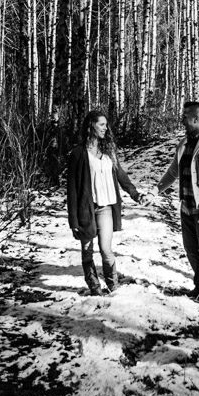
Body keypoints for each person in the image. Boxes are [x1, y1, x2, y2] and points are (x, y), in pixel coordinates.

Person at [66, 110, 142, 295]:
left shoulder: (109, 151)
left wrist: (135, 193)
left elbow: (121, 175)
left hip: (106, 208)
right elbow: (72, 190)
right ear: (91, 125)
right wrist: (73, 221)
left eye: (106, 125)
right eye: (101, 124)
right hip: (86, 209)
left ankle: (112, 284)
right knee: (87, 249)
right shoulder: (78, 153)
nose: (105, 128)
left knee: (106, 250)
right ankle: (94, 287)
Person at [157, 101, 199, 306]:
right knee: (191, 249)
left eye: (185, 117)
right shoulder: (184, 144)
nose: (182, 120)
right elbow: (172, 172)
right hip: (186, 206)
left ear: (195, 119)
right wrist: (157, 188)